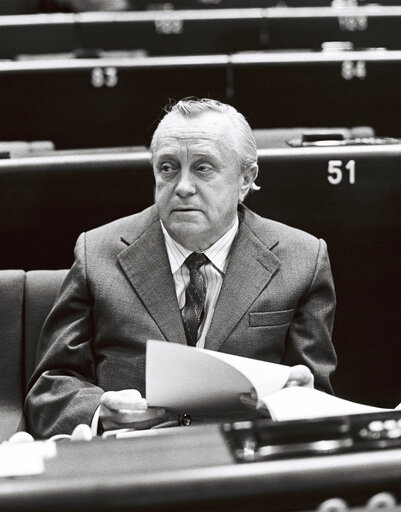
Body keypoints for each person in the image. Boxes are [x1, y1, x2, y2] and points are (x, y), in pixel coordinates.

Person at [25, 98, 337, 438]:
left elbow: (316, 395)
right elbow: (49, 387)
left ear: (245, 180)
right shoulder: (97, 253)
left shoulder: (302, 260)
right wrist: (101, 413)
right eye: (168, 168)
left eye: (203, 168)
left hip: (242, 466)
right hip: (134, 464)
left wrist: (297, 402)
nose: (183, 186)